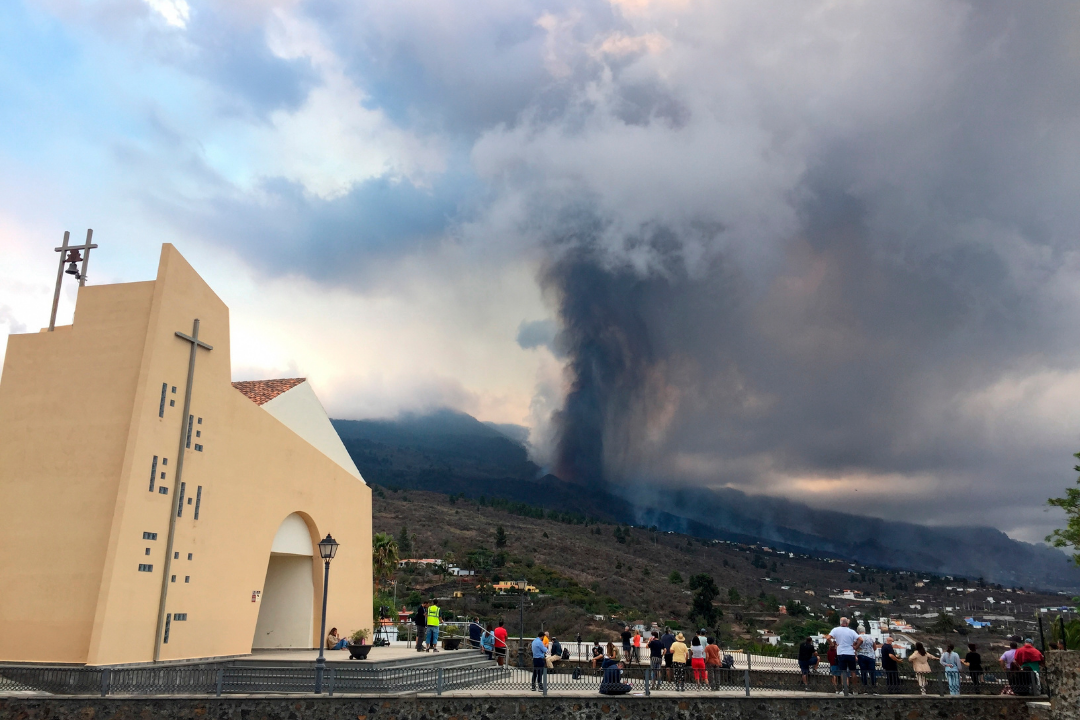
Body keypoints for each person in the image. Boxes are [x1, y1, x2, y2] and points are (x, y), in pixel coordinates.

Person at [825, 617, 860, 693]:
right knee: (853, 672)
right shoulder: (851, 631)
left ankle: (845, 689)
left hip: (841, 653)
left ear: (840, 623)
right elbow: (860, 639)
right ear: (847, 623)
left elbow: (828, 638)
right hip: (850, 653)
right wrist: (855, 647)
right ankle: (855, 690)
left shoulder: (835, 630)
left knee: (843, 671)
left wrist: (833, 645)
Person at [856, 625, 877, 690]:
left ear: (858, 631)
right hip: (871, 656)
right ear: (864, 630)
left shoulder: (857, 637)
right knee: (872, 672)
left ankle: (865, 688)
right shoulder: (870, 637)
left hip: (861, 656)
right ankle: (874, 688)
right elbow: (875, 647)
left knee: (863, 672)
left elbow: (854, 646)